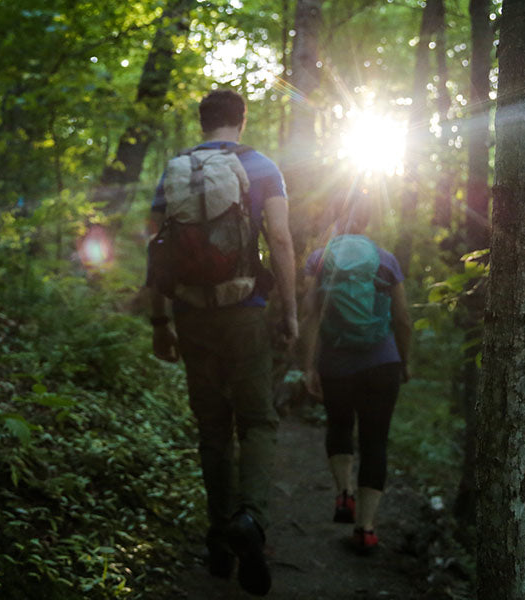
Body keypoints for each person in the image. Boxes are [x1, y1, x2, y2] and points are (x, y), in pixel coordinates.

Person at [147, 89, 297, 596]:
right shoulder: (260, 167)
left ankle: (218, 540)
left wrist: (159, 323)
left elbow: (155, 252)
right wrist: (291, 311)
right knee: (257, 421)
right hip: (246, 313)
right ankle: (250, 520)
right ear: (242, 119)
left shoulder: (175, 169)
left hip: (191, 315)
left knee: (212, 427)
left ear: (202, 121)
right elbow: (279, 239)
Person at [299, 194, 410, 554]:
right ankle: (366, 529)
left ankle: (344, 494)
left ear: (335, 219)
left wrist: (308, 365)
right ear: (366, 222)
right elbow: (404, 320)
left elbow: (310, 316)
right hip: (383, 362)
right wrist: (404, 361)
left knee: (340, 426)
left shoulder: (319, 260)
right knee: (376, 442)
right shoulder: (385, 260)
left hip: (336, 362)